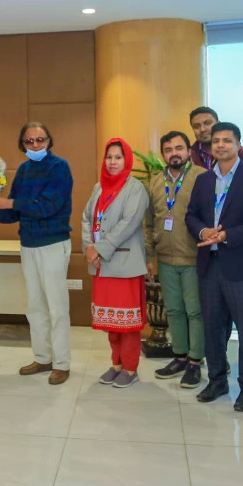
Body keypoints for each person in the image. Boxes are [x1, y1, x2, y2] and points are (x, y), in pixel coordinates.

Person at [186, 122, 243, 411]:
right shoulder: (203, 180)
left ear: (238, 144)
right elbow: (191, 216)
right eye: (216, 141)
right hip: (209, 264)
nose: (221, 145)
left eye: (227, 140)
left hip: (240, 265)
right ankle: (217, 380)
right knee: (212, 327)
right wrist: (203, 231)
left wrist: (227, 235)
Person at [0, 122, 75, 385]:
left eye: (40, 140)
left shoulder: (59, 167)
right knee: (35, 306)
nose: (35, 145)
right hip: (28, 244)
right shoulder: (24, 171)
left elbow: (48, 205)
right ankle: (43, 357)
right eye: (29, 141)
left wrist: (9, 203)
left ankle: (62, 363)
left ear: (49, 140)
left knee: (57, 307)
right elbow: (15, 211)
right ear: (22, 144)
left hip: (53, 243)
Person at [83, 138, 150, 388]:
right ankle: (117, 365)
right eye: (109, 157)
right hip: (102, 265)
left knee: (127, 324)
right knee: (111, 322)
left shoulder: (136, 189)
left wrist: (99, 249)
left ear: (126, 160)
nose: (112, 162)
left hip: (125, 265)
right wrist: (88, 247)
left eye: (118, 157)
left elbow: (128, 224)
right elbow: (86, 219)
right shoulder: (98, 187)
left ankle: (131, 369)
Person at [145, 131, 207, 387]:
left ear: (188, 151)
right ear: (163, 154)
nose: (174, 154)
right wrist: (149, 255)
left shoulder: (202, 177)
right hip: (165, 258)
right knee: (173, 310)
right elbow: (149, 223)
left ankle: (195, 361)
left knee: (195, 311)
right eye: (168, 149)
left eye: (179, 148)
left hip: (193, 257)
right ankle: (180, 356)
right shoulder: (155, 181)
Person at [188, 106, 243, 171]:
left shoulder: (240, 153)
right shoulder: (189, 155)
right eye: (196, 126)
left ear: (218, 124)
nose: (202, 129)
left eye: (207, 123)